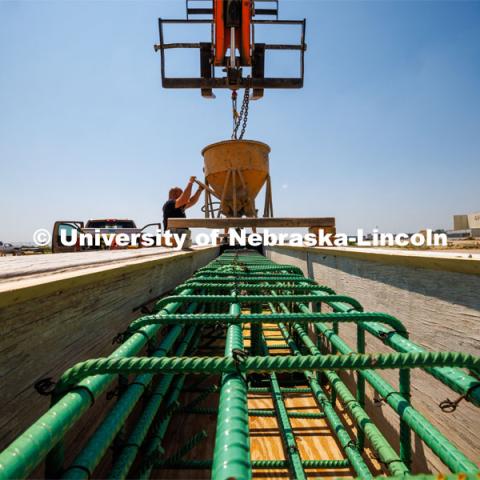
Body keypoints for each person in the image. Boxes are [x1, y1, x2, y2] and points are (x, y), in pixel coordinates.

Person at [162, 176, 203, 248]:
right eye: (181, 194)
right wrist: (190, 183)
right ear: (175, 195)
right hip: (174, 237)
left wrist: (199, 190)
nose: (183, 195)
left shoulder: (178, 206)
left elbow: (191, 201)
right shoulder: (170, 203)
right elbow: (185, 198)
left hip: (179, 238)